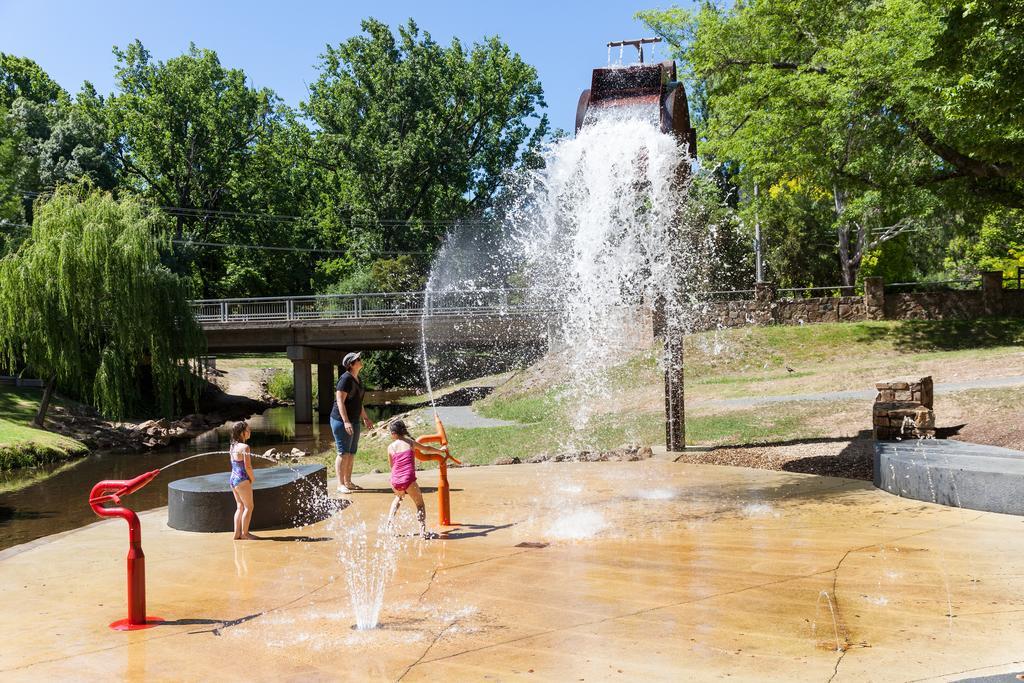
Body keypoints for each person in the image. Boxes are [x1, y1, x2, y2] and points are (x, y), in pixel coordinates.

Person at [385, 419, 447, 539]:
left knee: (398, 498)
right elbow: (427, 449)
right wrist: (440, 451)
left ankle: (389, 525)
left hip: (395, 480)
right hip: (408, 479)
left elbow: (392, 466)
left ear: (393, 433)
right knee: (420, 504)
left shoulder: (390, 447)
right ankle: (423, 532)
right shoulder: (410, 443)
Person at [330, 351, 374, 494]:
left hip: (354, 420)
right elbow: (340, 402)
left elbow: (358, 402)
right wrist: (346, 421)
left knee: (351, 453)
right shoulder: (345, 379)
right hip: (341, 421)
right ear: (351, 364)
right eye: (357, 359)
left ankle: (348, 482)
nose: (360, 360)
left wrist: (365, 418)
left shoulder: (358, 379)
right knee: (343, 452)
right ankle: (340, 484)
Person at [228, 421, 258, 540]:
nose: (249, 432)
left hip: (233, 479)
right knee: (249, 507)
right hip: (242, 479)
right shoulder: (245, 447)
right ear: (242, 433)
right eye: (248, 430)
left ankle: (236, 534)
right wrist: (252, 478)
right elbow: (248, 466)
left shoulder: (232, 446)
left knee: (239, 506)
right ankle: (245, 533)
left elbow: (234, 464)